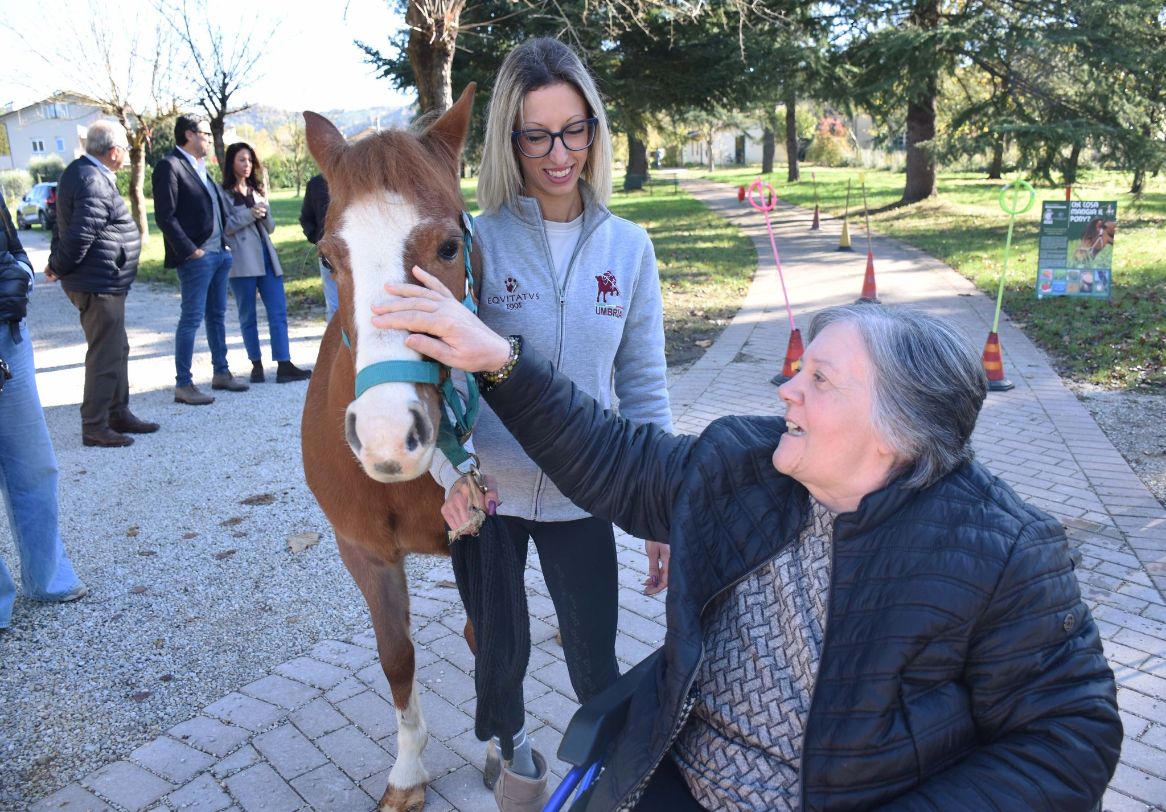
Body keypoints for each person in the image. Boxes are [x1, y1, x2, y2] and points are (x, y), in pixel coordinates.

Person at [373, 289, 1123, 812]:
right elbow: (612, 457)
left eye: (819, 380)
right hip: (682, 781)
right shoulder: (742, 465)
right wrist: (498, 360)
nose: (787, 391)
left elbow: (1070, 737)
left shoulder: (1003, 554)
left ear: (897, 429)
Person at [430, 37, 673, 809]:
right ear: (510, 139)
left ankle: (608, 779)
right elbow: (437, 370)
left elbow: (642, 385)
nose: (558, 153)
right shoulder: (478, 240)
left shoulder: (629, 250)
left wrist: (661, 507)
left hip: (584, 494)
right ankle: (511, 759)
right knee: (499, 656)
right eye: (536, 135)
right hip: (491, 500)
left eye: (574, 130)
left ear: (595, 130)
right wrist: (450, 470)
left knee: (595, 665)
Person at [0, 202, 87, 630]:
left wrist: (20, 271)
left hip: (8, 335)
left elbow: (11, 242)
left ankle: (48, 578)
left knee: (35, 466)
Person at [47, 120, 158, 448]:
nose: (126, 153)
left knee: (116, 348)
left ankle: (117, 411)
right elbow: (81, 233)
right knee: (104, 354)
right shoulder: (92, 179)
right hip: (98, 282)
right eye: (124, 147)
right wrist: (57, 265)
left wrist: (57, 262)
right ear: (113, 152)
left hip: (104, 279)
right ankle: (95, 424)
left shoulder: (81, 172)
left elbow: (61, 225)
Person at [152, 114, 249, 405]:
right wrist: (190, 250)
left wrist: (223, 245)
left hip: (219, 254)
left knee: (217, 316)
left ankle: (221, 373)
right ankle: (184, 384)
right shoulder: (169, 166)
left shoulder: (201, 167)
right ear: (189, 135)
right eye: (206, 134)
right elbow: (165, 217)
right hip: (197, 257)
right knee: (191, 318)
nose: (209, 138)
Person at [220, 142, 311, 384]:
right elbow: (224, 227)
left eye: (249, 160)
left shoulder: (257, 190)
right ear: (231, 163)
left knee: (278, 311)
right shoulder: (223, 194)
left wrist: (264, 207)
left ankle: (284, 364)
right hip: (242, 261)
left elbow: (270, 227)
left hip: (267, 258)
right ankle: (256, 365)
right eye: (241, 160)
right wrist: (249, 214)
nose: (247, 165)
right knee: (247, 314)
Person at [299, 173, 337, 321]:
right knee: (334, 307)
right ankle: (337, 343)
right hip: (328, 258)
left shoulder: (354, 179)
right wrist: (319, 241)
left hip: (356, 257)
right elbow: (306, 219)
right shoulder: (315, 184)